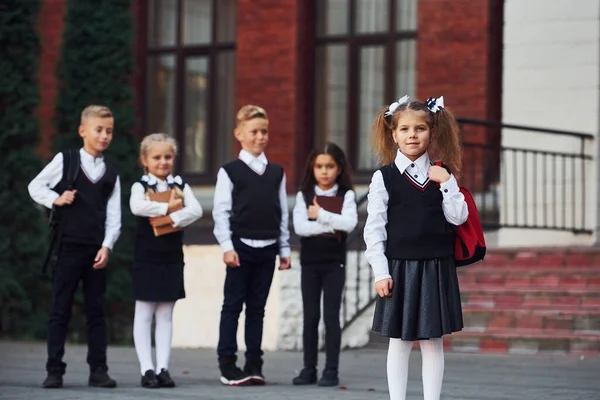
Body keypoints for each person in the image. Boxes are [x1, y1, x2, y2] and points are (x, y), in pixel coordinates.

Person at [364, 95, 468, 400]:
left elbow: (458, 217)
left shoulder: (442, 174)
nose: (412, 135)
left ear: (432, 132)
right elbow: (374, 228)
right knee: (400, 341)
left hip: (436, 265)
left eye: (420, 128)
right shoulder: (383, 178)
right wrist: (380, 272)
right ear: (394, 134)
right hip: (399, 267)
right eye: (405, 129)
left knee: (433, 340)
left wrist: (448, 183)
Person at [28, 105, 121, 389]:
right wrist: (55, 199)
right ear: (83, 131)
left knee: (96, 311)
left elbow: (114, 217)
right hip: (68, 247)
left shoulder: (110, 174)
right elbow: (36, 186)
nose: (104, 136)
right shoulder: (66, 160)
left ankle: (99, 370)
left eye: (109, 131)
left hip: (95, 251)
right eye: (99, 130)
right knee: (60, 309)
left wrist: (107, 246)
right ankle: (54, 370)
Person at [212, 105, 291, 386]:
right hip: (240, 247)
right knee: (232, 305)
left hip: (268, 247)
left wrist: (284, 249)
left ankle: (254, 363)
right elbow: (220, 212)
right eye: (254, 132)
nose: (260, 137)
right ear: (239, 134)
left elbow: (281, 212)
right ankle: (227, 362)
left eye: (264, 131)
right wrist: (226, 246)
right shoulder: (230, 172)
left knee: (258, 308)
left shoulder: (276, 172)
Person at [129, 133, 203, 388]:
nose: (163, 162)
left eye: (168, 157)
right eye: (157, 157)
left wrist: (172, 219)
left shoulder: (180, 185)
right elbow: (137, 207)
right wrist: (167, 208)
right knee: (144, 311)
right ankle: (146, 368)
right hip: (147, 254)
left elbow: (196, 210)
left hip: (171, 254)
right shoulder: (140, 186)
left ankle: (162, 367)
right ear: (145, 160)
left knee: (166, 312)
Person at [291, 143, 358, 387]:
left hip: (334, 264)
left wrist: (320, 215)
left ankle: (331, 370)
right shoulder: (304, 195)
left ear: (339, 168)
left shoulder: (346, 195)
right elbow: (300, 228)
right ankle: (309, 368)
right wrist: (332, 224)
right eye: (319, 166)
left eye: (330, 166)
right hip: (310, 264)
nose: (324, 171)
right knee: (310, 316)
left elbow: (349, 224)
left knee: (331, 317)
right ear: (312, 167)